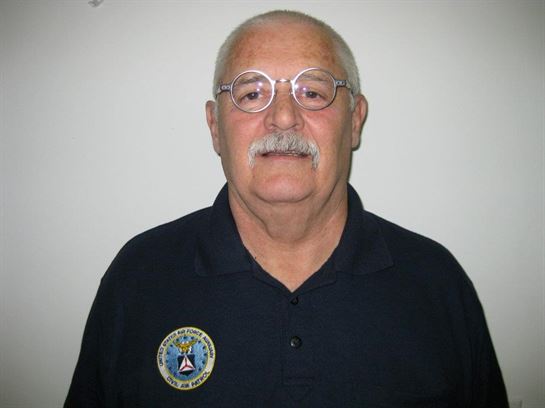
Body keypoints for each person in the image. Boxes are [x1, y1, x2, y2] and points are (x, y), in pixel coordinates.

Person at [65, 10, 509, 407]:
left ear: (355, 120)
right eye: (251, 93)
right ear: (215, 126)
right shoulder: (139, 278)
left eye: (312, 92)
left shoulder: (436, 283)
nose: (282, 116)